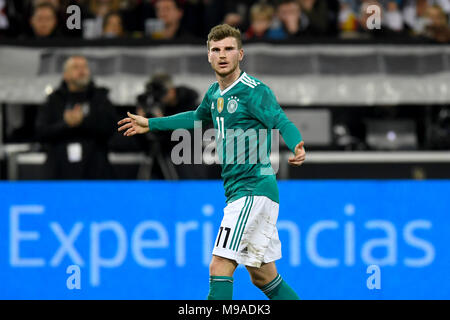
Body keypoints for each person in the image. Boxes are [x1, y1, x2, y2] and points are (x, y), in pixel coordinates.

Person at [118, 24, 306, 300]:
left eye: (228, 49)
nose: (222, 55)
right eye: (216, 50)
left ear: (240, 54)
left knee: (220, 265)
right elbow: (195, 118)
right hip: (242, 193)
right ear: (208, 56)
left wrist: (296, 142)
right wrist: (152, 123)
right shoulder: (214, 94)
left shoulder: (254, 91)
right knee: (263, 276)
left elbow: (280, 120)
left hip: (252, 190)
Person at [35, 55, 117, 179]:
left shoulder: (100, 98)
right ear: (65, 75)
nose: (82, 70)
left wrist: (83, 121)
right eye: (76, 67)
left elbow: (111, 129)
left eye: (84, 67)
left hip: (96, 170)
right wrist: (65, 124)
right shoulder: (54, 100)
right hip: (59, 171)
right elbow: (40, 132)